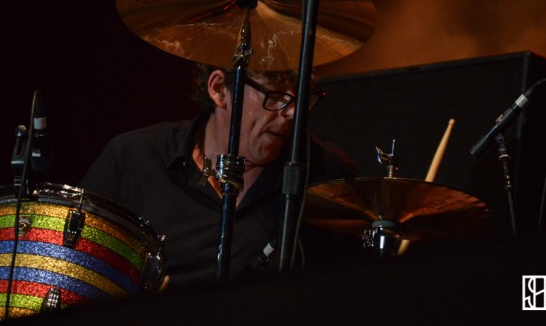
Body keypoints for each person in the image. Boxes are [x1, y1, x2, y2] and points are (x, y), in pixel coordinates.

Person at [79, 63, 357, 288]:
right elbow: (75, 268)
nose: (292, 113)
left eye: (302, 97)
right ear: (220, 89)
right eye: (275, 96)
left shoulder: (324, 170)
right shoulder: (134, 158)